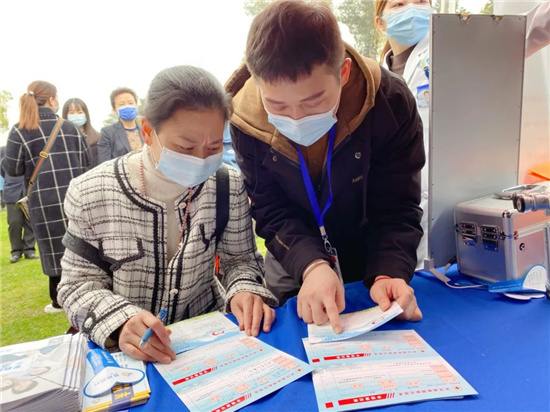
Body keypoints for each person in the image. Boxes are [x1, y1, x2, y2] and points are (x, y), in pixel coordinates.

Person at [226, 0, 424, 334]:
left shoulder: (390, 102)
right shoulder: (244, 120)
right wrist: (311, 264)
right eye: (277, 105)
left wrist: (389, 270)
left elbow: (397, 205)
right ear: (259, 85)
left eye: (313, 100)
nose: (296, 117)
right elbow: (270, 210)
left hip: (369, 250)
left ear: (343, 73)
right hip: (293, 258)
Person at [58, 65, 277, 364]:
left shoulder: (227, 184)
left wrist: (244, 290)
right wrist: (120, 322)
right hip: (128, 356)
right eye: (185, 147)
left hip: (207, 343)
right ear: (148, 131)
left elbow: (240, 260)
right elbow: (77, 285)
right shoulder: (91, 192)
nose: (201, 160)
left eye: (213, 146)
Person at [374, 0, 550, 270]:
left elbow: (525, 31)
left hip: (455, 199)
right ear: (380, 23)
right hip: (397, 212)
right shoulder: (375, 78)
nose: (412, 9)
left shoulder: (457, 46)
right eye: (399, 4)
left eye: (421, 1)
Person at [3, 80, 90, 314]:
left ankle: (58, 300)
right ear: (52, 100)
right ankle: (90, 291)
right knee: (80, 243)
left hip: (43, 200)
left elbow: (11, 169)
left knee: (53, 248)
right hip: (76, 195)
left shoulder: (20, 129)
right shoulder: (70, 127)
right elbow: (86, 162)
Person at [0, 163, 38, 263]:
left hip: (29, 190)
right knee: (14, 223)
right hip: (12, 191)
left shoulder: (28, 152)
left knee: (30, 222)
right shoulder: (7, 156)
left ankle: (29, 250)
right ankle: (16, 252)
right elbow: (3, 171)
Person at [97, 87, 143, 164]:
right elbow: (104, 163)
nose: (127, 106)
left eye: (130, 103)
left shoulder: (147, 130)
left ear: (136, 106)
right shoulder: (107, 133)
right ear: (115, 110)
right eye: (122, 104)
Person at [62, 98, 100, 168]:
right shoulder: (61, 139)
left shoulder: (98, 138)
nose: (76, 115)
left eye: (79, 112)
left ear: (86, 114)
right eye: (71, 113)